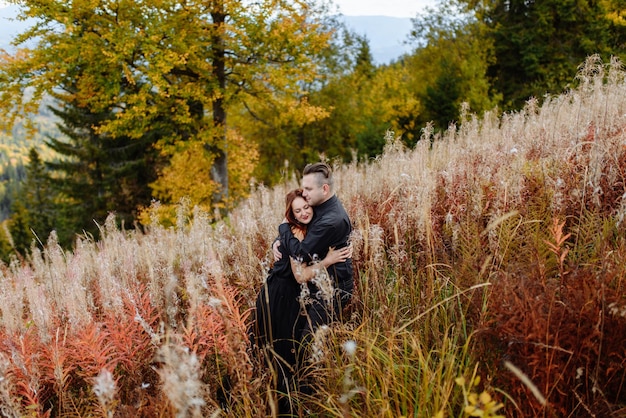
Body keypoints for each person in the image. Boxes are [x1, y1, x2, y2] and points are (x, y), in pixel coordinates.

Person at [251, 188, 351, 415]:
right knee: (280, 353)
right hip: (278, 298)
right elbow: (300, 275)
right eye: (298, 210)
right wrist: (329, 260)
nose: (304, 212)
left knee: (287, 353)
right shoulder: (296, 232)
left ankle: (288, 405)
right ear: (292, 215)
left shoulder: (311, 230)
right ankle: (281, 407)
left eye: (306, 207)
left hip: (289, 298)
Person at [273, 162, 354, 380]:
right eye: (304, 188)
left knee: (309, 343)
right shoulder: (318, 205)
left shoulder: (330, 220)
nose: (304, 193)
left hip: (332, 290)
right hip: (314, 284)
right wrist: (277, 241)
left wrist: (282, 230)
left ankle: (310, 389)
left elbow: (299, 254)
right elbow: (299, 225)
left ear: (324, 189)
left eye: (308, 189)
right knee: (296, 335)